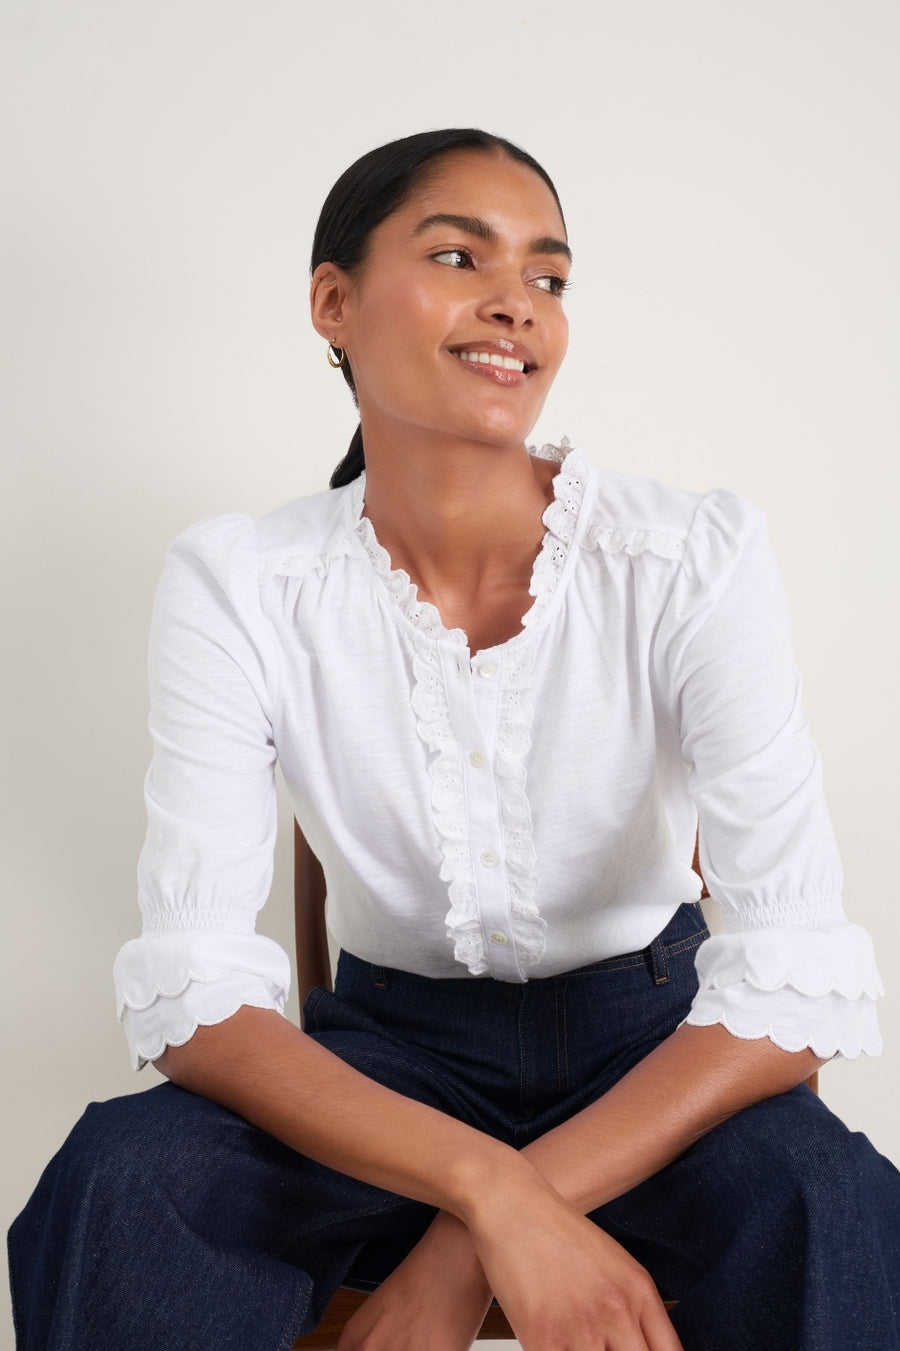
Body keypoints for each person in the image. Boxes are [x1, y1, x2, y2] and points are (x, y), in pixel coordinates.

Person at [8, 128, 899, 1351]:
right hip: (383, 1065)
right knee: (123, 1181)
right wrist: (488, 1193)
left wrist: (460, 1247)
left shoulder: (689, 557)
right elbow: (200, 993)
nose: (517, 303)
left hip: (654, 1054)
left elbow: (791, 973)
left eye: (548, 274)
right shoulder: (243, 582)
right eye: (457, 254)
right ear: (333, 303)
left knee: (826, 1200)